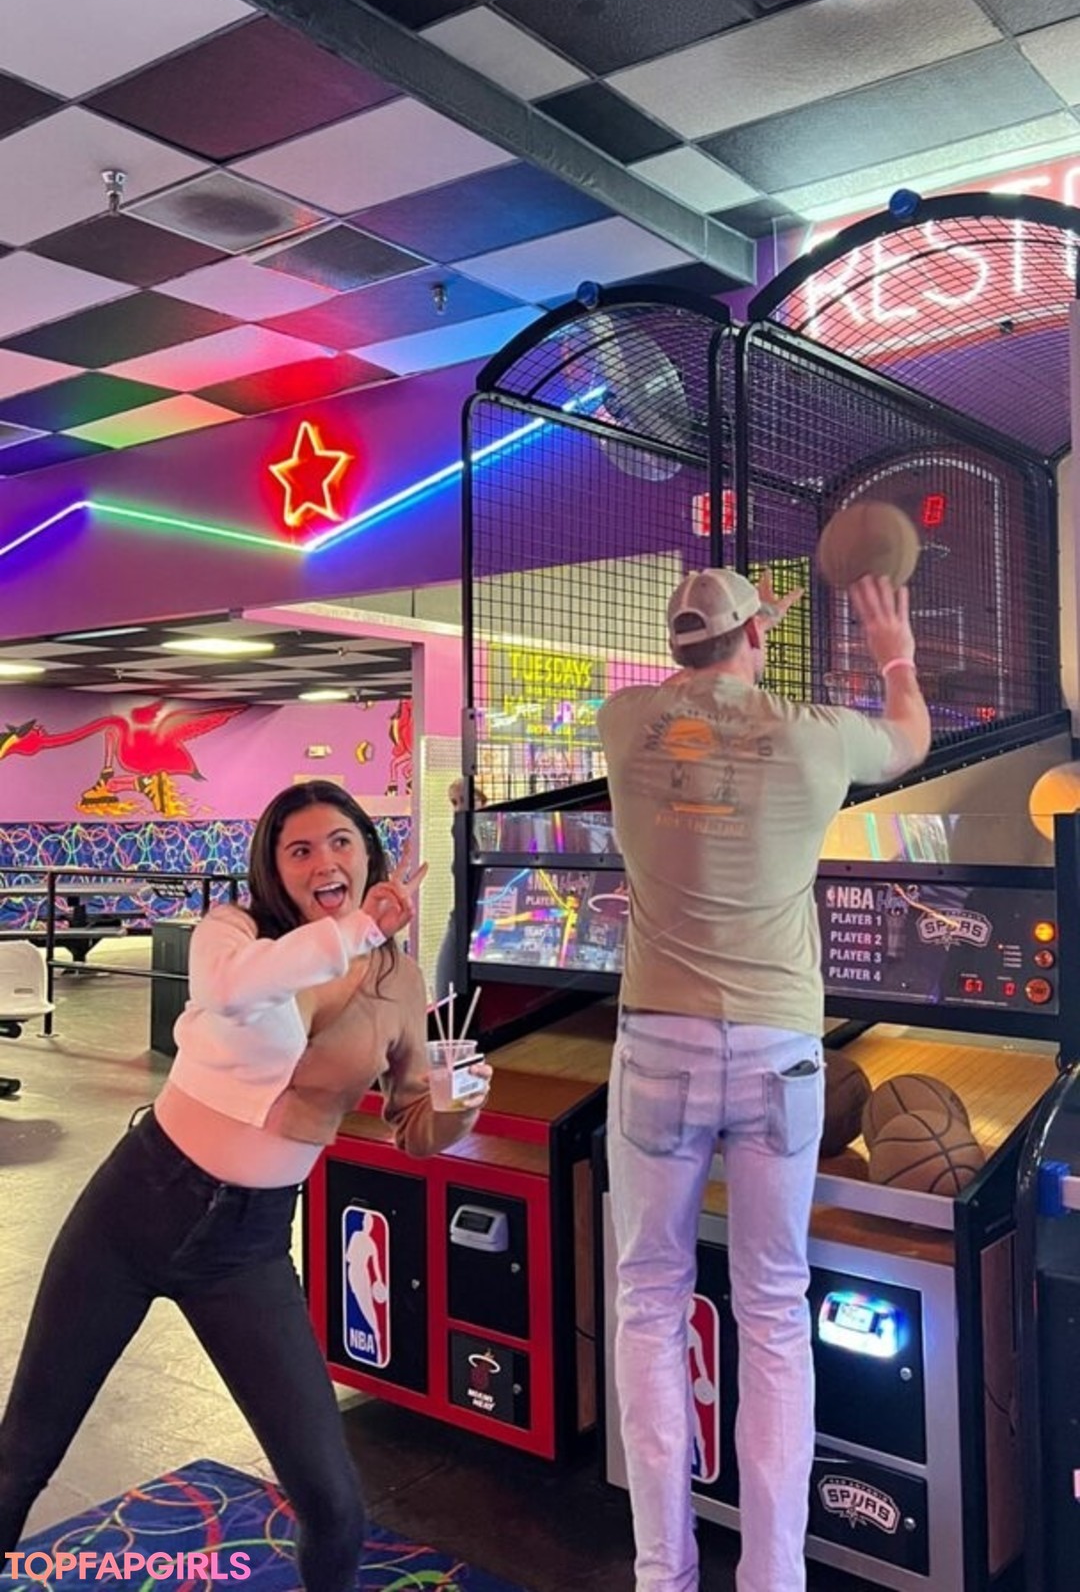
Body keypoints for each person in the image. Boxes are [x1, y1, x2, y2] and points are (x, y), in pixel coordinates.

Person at [0, 780, 492, 1592]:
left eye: (340, 841)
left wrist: (458, 1099)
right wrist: (359, 927)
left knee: (334, 1504)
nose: (323, 861)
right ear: (274, 866)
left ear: (367, 851)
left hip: (247, 1245)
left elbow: (414, 1126)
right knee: (22, 1455)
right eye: (299, 849)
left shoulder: (399, 982)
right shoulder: (234, 934)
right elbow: (235, 992)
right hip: (137, 1204)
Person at [598, 569, 930, 1592]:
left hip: (657, 1044)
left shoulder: (624, 722)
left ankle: (664, 1573)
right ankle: (773, 1577)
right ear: (756, 638)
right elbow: (911, 737)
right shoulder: (813, 735)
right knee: (775, 1311)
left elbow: (695, 696)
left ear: (679, 645)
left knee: (650, 1301)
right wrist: (893, 650)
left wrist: (733, 641)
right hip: (778, 1050)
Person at [433, 778, 488, 1005]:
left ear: (482, 802)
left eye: (464, 800)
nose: (458, 808)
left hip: (484, 920)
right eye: (454, 802)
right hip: (462, 918)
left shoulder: (489, 834)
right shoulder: (461, 833)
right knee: (445, 993)